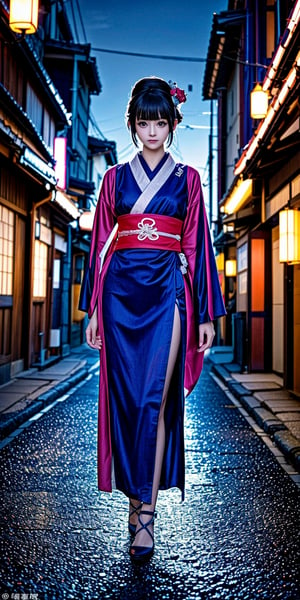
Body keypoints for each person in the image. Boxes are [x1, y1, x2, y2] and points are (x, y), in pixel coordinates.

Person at [79, 76, 226, 563]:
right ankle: (134, 502)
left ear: (172, 123)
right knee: (126, 402)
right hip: (120, 293)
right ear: (133, 125)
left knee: (154, 401)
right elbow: (100, 246)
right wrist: (93, 308)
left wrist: (206, 312)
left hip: (168, 290)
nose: (152, 131)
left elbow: (197, 246)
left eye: (160, 122)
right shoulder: (113, 179)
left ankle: (147, 515)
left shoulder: (188, 180)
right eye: (144, 122)